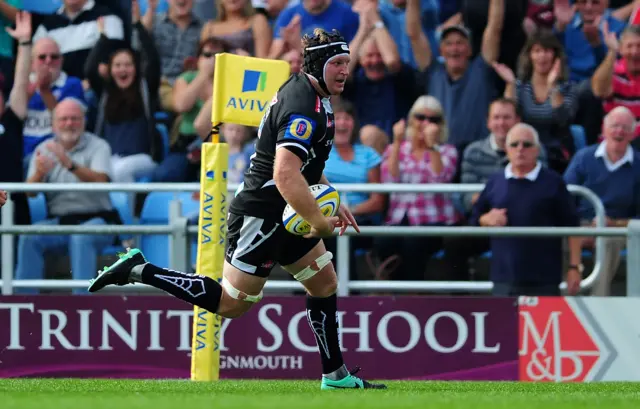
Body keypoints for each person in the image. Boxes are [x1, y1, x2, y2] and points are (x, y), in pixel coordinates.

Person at [88, 28, 387, 391]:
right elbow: (285, 174)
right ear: (319, 64)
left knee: (324, 282)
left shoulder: (317, 96)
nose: (344, 71)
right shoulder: (302, 106)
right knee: (231, 304)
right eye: (337, 63)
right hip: (261, 216)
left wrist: (332, 198)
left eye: (346, 63)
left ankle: (335, 376)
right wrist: (321, 223)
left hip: (289, 213)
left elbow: (306, 162)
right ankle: (139, 269)